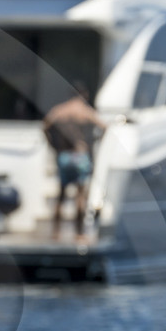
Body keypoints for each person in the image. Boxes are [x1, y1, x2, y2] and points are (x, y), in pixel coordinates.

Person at [42, 83, 107, 242]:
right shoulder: (85, 111)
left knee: (61, 194)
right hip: (80, 156)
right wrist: (94, 142)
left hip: (64, 155)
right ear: (84, 95)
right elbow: (104, 126)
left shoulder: (60, 110)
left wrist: (53, 145)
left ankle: (56, 232)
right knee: (80, 196)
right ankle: (79, 233)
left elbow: (44, 127)